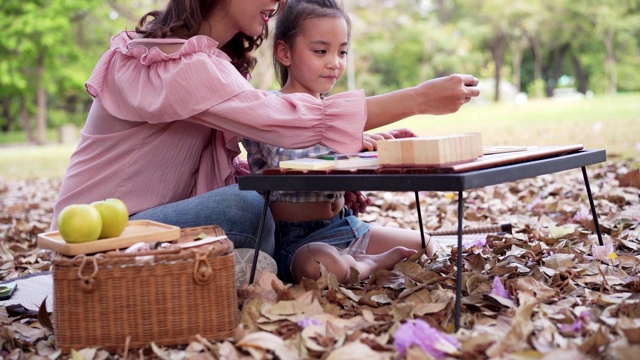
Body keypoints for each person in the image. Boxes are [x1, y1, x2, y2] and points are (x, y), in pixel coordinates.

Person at [50, 0, 479, 264]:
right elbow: (286, 119)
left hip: (143, 223)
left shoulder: (208, 63)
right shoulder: (177, 64)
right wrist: (419, 99)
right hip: (97, 237)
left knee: (254, 205)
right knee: (250, 210)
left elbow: (244, 155)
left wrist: (340, 155)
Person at [242, 0, 435, 284]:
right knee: (320, 269)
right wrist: (352, 143)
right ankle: (368, 266)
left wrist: (370, 158)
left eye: (342, 52)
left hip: (344, 225)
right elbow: (290, 158)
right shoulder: (272, 106)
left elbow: (337, 160)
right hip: (299, 239)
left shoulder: (337, 112)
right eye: (321, 51)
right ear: (284, 52)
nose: (335, 63)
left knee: (425, 245)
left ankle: (354, 264)